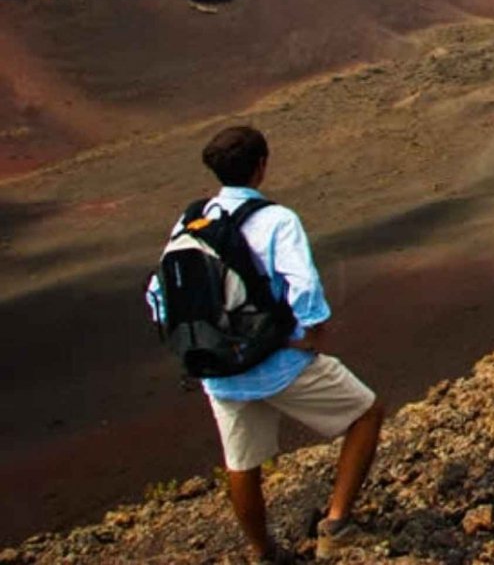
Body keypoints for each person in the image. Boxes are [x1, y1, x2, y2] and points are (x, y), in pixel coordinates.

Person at [146, 125, 384, 563]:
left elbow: (159, 294)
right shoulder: (277, 220)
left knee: (242, 465)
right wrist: (312, 332)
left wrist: (198, 345)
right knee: (366, 412)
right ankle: (336, 525)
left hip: (220, 372)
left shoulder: (191, 219)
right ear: (261, 166)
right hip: (279, 362)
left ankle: (261, 551)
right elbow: (303, 285)